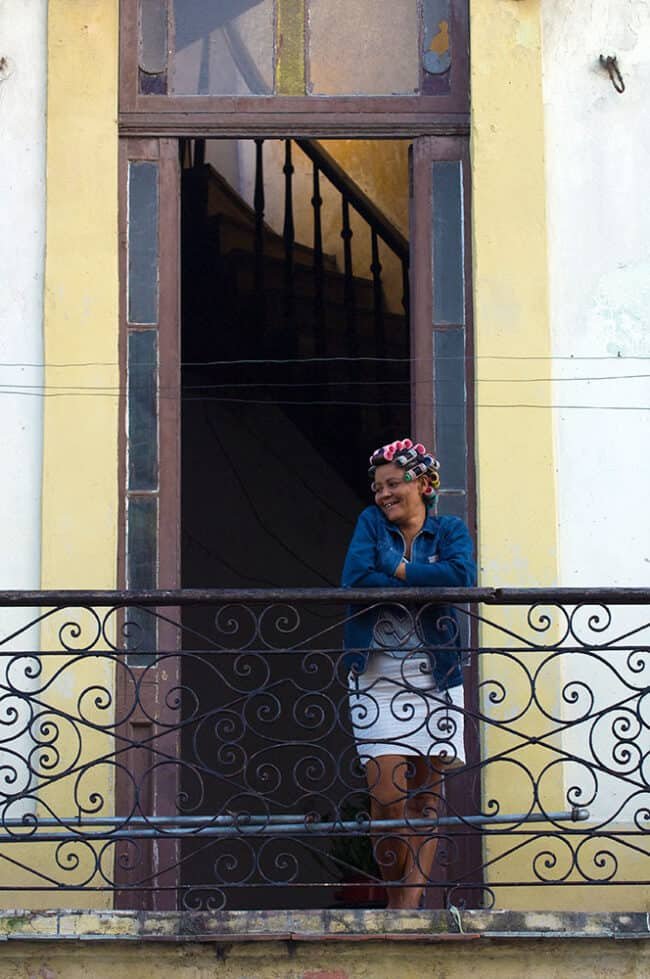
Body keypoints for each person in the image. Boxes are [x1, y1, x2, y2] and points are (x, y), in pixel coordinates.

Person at [341, 438, 476, 910]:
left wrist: (396, 568)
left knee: (425, 802)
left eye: (393, 484)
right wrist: (422, 578)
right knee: (386, 803)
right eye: (378, 487)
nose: (383, 495)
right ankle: (401, 902)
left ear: (422, 483)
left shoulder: (451, 531)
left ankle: (404, 912)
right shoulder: (369, 524)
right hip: (376, 676)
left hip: (435, 677)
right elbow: (355, 579)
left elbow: (461, 578)